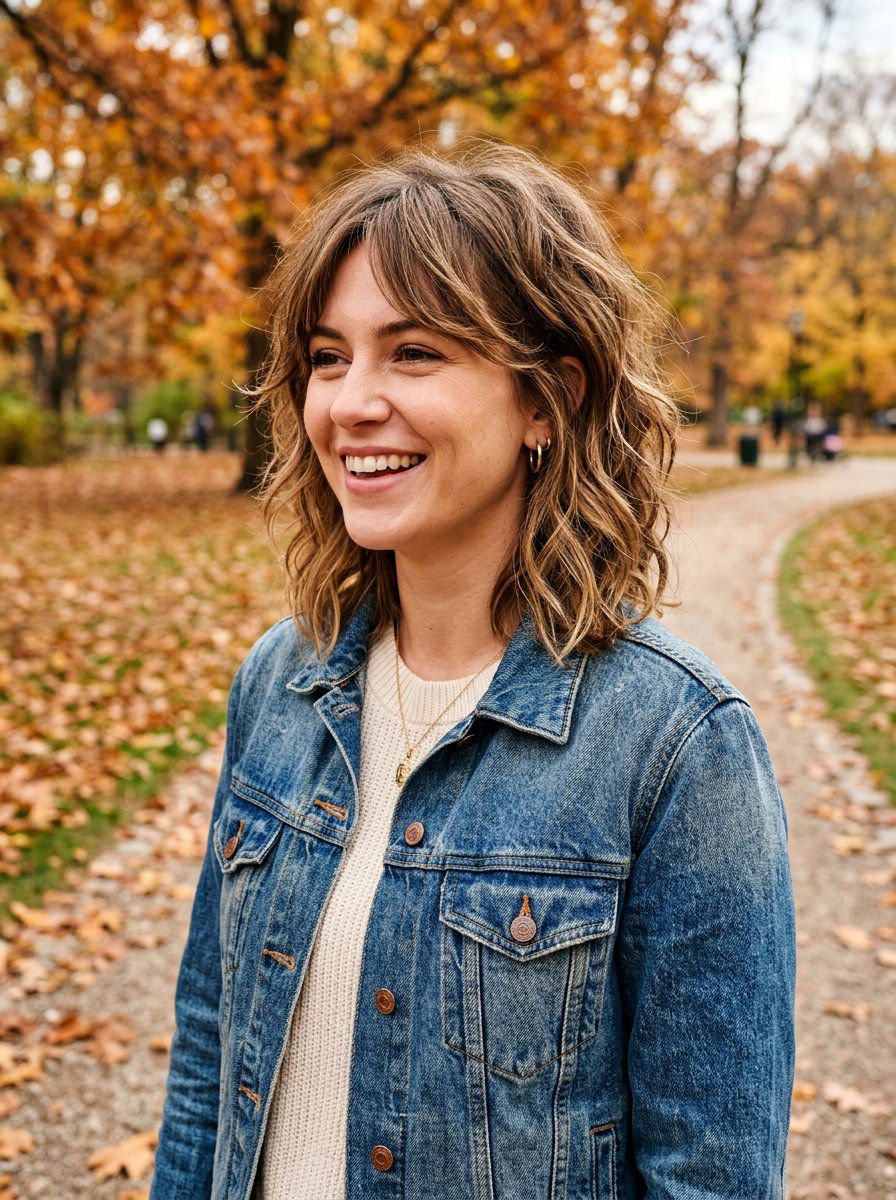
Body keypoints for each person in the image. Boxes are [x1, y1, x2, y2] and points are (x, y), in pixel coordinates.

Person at [151, 141, 795, 1200]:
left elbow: (709, 1179)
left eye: (412, 353)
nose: (350, 402)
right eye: (326, 355)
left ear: (545, 399)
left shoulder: (674, 747)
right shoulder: (279, 684)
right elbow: (208, 1069)